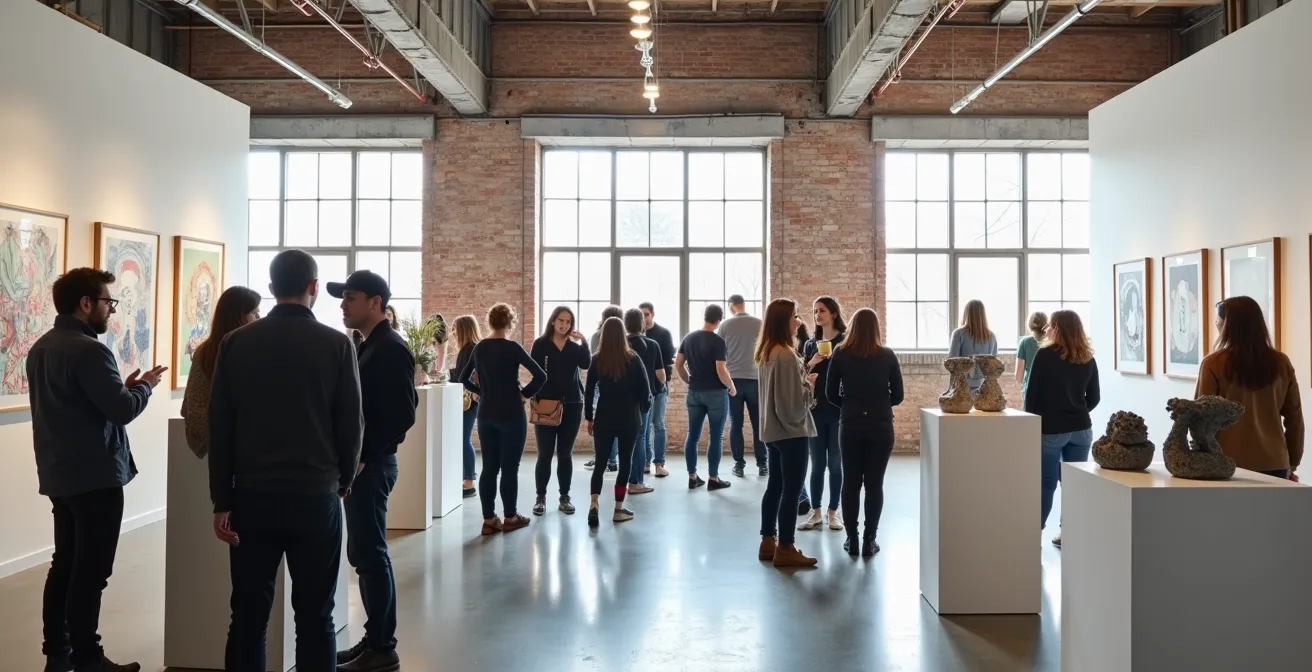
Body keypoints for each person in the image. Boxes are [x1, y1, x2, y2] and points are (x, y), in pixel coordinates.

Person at [208, 250, 363, 672]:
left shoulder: (235, 343)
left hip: (252, 498)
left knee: (248, 616)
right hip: (315, 496)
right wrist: (344, 480)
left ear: (271, 288)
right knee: (316, 615)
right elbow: (351, 424)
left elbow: (220, 427)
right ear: (314, 287)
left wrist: (221, 499)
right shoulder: (336, 344)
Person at [28, 267, 167, 672]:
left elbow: (78, 404)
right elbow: (122, 410)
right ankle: (89, 658)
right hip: (95, 478)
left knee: (64, 565)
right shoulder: (89, 350)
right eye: (108, 302)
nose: (112, 310)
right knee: (91, 573)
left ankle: (58, 654)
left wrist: (122, 388)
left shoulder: (41, 348)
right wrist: (144, 388)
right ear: (86, 303)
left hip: (59, 474)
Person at [328, 270, 418, 672]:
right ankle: (375, 639)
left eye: (351, 297)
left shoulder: (390, 347)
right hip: (367, 465)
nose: (343, 305)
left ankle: (382, 647)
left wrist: (363, 454)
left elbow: (403, 413)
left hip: (373, 466)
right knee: (365, 555)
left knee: (370, 555)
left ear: (376, 302)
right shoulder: (371, 345)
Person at [460, 303, 547, 535]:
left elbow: (463, 378)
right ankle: (510, 517)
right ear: (511, 323)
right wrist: (524, 394)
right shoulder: (513, 348)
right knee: (510, 467)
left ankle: (489, 519)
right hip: (511, 413)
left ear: (489, 322)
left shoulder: (480, 348)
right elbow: (541, 375)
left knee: (489, 466)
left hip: (486, 413)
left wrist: (480, 392)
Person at [1196, 297, 1304, 479]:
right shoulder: (1281, 362)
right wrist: (1291, 463)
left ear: (1228, 325)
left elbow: (1202, 418)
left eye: (1218, 319)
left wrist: (1200, 461)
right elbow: (1295, 419)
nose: (1216, 324)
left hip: (1226, 463)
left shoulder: (1213, 364)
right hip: (1275, 462)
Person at [826, 308, 903, 557]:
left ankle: (852, 539)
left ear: (853, 327)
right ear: (876, 328)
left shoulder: (840, 353)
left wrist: (849, 404)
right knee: (874, 484)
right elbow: (898, 395)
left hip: (850, 423)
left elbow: (829, 393)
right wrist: (880, 402)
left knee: (850, 483)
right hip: (881, 424)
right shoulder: (887, 355)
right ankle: (870, 540)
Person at [1024, 310, 1100, 548]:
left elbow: (1032, 397)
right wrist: (1075, 410)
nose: (1047, 329)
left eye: (1050, 325)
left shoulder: (1045, 355)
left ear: (1057, 328)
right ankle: (1068, 533)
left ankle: (1034, 536)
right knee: (1073, 484)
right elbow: (1094, 398)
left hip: (1051, 431)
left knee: (1045, 485)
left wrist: (1033, 424)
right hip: (1081, 430)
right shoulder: (1087, 357)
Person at [755, 298, 819, 568]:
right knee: (792, 491)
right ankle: (786, 547)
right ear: (784, 321)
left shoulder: (767, 352)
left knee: (775, 486)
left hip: (772, 431)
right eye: (795, 316)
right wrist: (809, 386)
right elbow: (793, 406)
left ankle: (768, 541)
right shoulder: (786, 356)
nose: (799, 322)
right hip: (791, 432)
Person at [584, 317, 652, 526]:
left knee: (600, 463)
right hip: (629, 418)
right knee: (625, 462)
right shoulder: (633, 358)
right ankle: (618, 509)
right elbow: (646, 392)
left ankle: (594, 504)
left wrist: (589, 417)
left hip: (604, 417)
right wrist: (643, 408)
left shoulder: (597, 359)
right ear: (623, 334)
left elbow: (588, 391)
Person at [181, 286, 261, 459]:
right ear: (238, 317)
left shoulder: (205, 350)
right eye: (255, 313)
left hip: (226, 444)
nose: (259, 319)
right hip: (236, 444)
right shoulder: (212, 352)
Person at [529, 306, 590, 516]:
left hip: (572, 404)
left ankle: (565, 497)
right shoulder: (540, 344)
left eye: (568, 322)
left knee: (565, 454)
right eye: (561, 320)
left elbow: (586, 364)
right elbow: (534, 371)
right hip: (545, 404)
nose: (564, 325)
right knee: (544, 454)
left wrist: (585, 342)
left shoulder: (574, 347)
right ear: (553, 321)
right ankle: (540, 498)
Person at [675, 304, 737, 491]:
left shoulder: (688, 338)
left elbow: (678, 365)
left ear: (705, 317)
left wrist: (689, 382)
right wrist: (731, 386)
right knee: (716, 436)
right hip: (716, 393)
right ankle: (713, 478)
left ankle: (692, 477)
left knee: (692, 435)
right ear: (719, 320)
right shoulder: (718, 341)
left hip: (695, 392)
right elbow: (721, 369)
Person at [799, 296, 847, 531]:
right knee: (817, 465)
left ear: (833, 314)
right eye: (815, 311)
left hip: (838, 411)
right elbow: (800, 376)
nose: (817, 315)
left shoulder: (845, 342)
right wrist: (812, 363)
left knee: (836, 465)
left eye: (822, 311)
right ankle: (816, 512)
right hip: (815, 410)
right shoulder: (810, 344)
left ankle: (833, 513)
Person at [718, 294, 766, 478]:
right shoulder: (759, 323)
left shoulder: (725, 325)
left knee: (736, 423)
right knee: (758, 424)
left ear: (731, 305)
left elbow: (719, 352)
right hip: (755, 379)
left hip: (733, 380)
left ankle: (739, 465)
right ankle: (763, 464)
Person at [624, 308, 665, 494]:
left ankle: (623, 479)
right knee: (640, 437)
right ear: (642, 323)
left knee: (625, 439)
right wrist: (660, 387)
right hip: (644, 398)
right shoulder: (652, 345)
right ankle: (635, 482)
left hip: (622, 398)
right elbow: (661, 374)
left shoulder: (620, 344)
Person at [586, 304, 625, 471]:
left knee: (601, 424)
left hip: (600, 383)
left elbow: (592, 358)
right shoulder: (623, 338)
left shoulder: (596, 336)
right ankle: (612, 461)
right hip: (619, 385)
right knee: (617, 423)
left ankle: (602, 458)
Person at [639, 302, 676, 477]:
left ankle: (659, 463)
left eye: (646, 314)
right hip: (642, 390)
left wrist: (662, 383)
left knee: (658, 425)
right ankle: (646, 462)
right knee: (644, 428)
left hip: (659, 387)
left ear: (652, 314)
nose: (644, 318)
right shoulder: (635, 336)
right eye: (641, 315)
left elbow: (669, 362)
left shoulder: (663, 334)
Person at [450, 315, 481, 498]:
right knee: (463, 439)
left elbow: (464, 376)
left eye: (455, 329)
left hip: (469, 401)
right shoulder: (471, 349)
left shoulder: (470, 350)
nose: (453, 333)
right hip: (470, 400)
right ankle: (466, 480)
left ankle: (469, 482)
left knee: (463, 439)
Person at [948, 299, 998, 394]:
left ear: (966, 313)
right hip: (983, 386)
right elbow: (993, 364)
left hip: (961, 385)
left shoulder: (958, 333)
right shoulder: (991, 336)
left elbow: (952, 362)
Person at [1015, 311, 1048, 409]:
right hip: (1050, 390)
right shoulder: (1053, 342)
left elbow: (1018, 376)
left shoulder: (1025, 342)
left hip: (1030, 389)